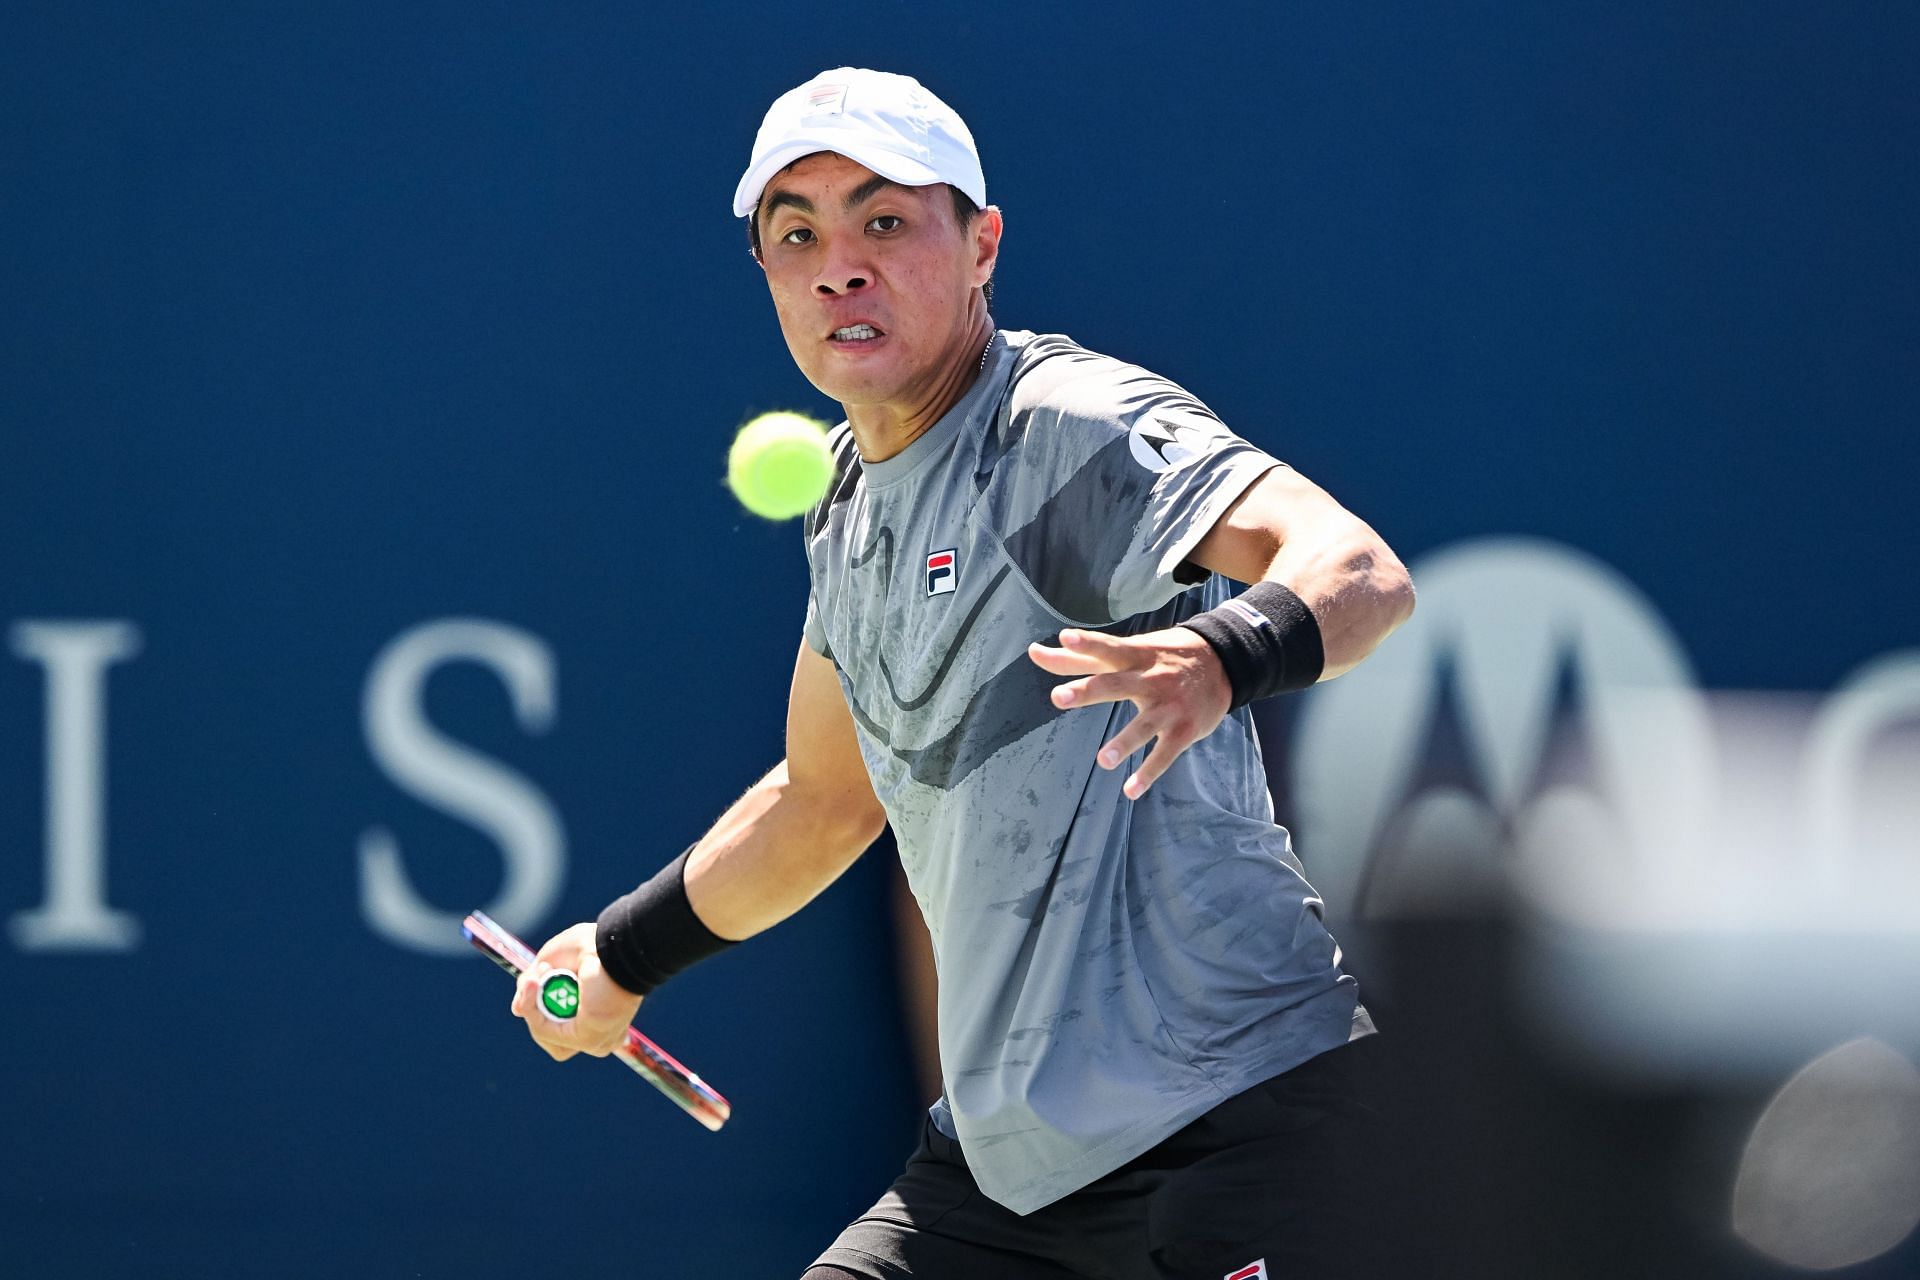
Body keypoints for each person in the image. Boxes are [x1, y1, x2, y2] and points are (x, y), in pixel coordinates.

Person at [510, 67, 1416, 1280]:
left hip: (1245, 1129)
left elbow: (1360, 571)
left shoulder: (1066, 424)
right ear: (771, 276)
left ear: (981, 244)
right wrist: (622, 955)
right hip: (1005, 1179)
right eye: (798, 232)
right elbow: (825, 800)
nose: (840, 262)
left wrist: (1216, 651)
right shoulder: (846, 502)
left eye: (884, 220)